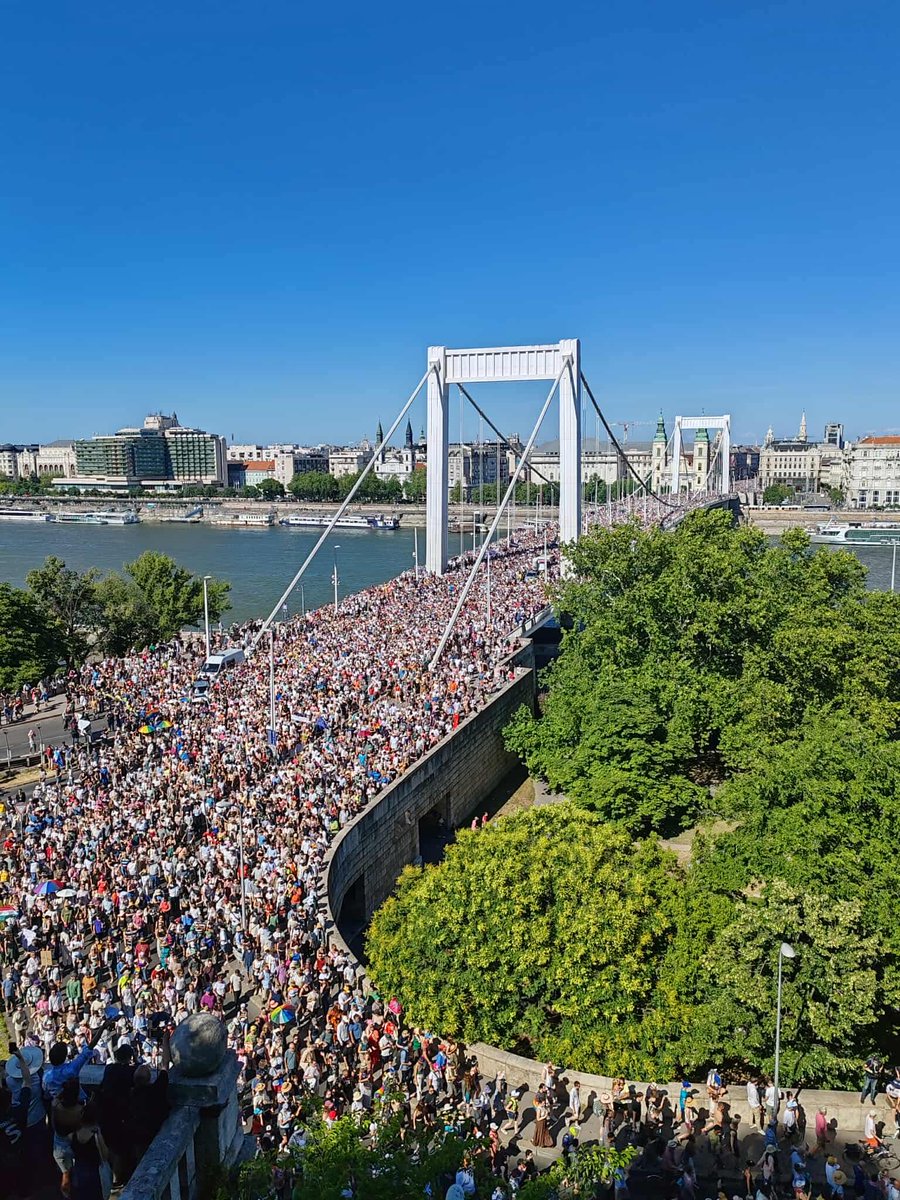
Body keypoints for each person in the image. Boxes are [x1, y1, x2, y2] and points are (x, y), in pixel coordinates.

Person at [0, 1045, 33, 1197]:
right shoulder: (19, 1111)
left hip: (4, 1165)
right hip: (21, 1157)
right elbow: (27, 1081)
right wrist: (20, 1058)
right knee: (23, 1188)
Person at [71, 1100, 111, 1200]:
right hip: (94, 1174)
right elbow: (105, 1155)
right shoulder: (96, 1135)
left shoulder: (74, 1133)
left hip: (78, 1171)